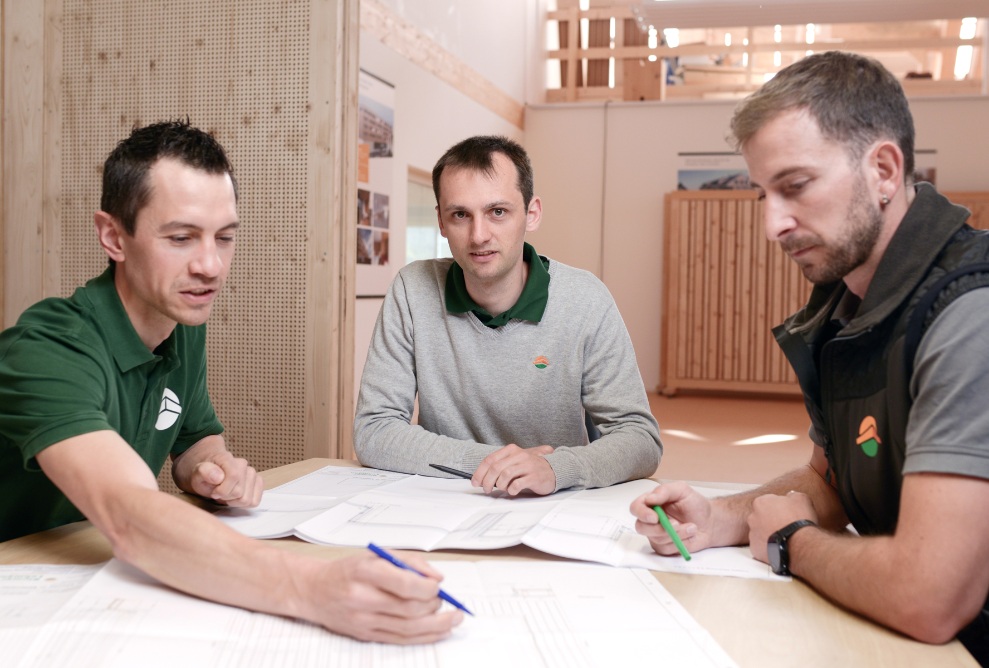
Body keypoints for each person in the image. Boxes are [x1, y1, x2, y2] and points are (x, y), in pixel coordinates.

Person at [0, 120, 462, 644]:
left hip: (93, 571)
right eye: (181, 238)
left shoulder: (179, 322)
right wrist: (312, 587)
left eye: (224, 238)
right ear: (113, 236)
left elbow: (193, 438)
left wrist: (211, 468)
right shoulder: (48, 348)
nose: (210, 265)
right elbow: (129, 515)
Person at [630, 51, 989, 662]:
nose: (773, 224)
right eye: (762, 194)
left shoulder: (969, 313)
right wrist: (719, 518)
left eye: (795, 187)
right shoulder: (841, 304)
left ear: (882, 170)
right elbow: (831, 483)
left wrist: (793, 543)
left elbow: (933, 595)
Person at [354, 135, 661, 496]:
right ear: (440, 221)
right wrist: (496, 463)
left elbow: (641, 440)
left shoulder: (586, 299)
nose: (478, 235)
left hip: (558, 503)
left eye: (497, 212)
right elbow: (374, 430)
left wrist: (554, 468)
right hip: (447, 500)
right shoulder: (412, 289)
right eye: (460, 215)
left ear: (532, 214)